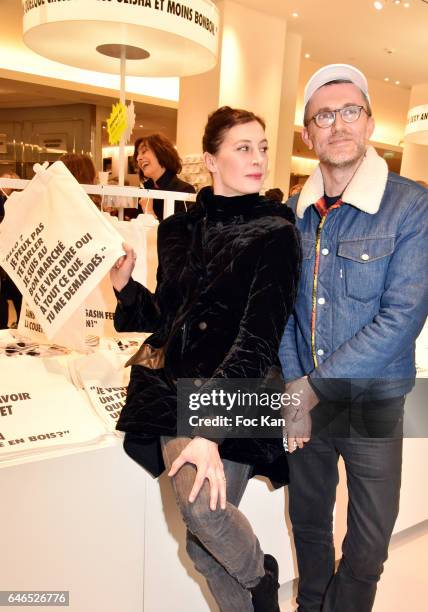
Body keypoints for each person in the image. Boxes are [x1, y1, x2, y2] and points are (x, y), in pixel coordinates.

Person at [111, 106, 301, 612]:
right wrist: (126, 289)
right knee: (201, 537)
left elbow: (259, 337)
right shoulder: (176, 231)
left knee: (202, 518)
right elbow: (166, 320)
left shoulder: (277, 232)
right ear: (210, 160)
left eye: (262, 146)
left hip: (241, 390)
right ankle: (261, 587)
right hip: (176, 389)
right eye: (243, 148)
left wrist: (210, 430)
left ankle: (260, 576)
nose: (258, 158)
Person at [279, 64, 428, 612]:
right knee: (309, 524)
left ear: (368, 123)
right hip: (307, 399)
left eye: (350, 112)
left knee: (369, 544)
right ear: (308, 134)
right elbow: (287, 312)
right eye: (324, 115)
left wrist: (313, 387)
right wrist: (296, 386)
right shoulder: (294, 216)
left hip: (372, 402)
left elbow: (402, 318)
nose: (338, 124)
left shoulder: (411, 206)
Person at [133, 133, 195, 220]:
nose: (138, 158)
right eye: (137, 154)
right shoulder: (143, 190)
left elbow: (183, 232)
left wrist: (149, 213)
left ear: (161, 152)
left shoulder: (185, 191)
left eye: (143, 152)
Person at [0, 171, 22, 327]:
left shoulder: (17, 201)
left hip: (14, 254)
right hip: (7, 255)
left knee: (16, 293)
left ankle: (20, 324)